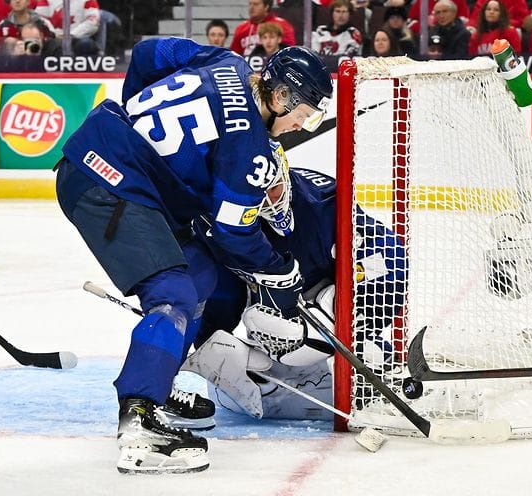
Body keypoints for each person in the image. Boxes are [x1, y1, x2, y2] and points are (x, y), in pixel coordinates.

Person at [54, 38, 332, 473]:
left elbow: (148, 53)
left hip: (111, 159)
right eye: (305, 111)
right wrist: (283, 272)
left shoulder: (226, 61)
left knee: (205, 276)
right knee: (174, 294)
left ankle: (158, 386)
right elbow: (234, 231)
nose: (303, 124)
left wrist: (140, 127)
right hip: (109, 180)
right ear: (281, 97)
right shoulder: (250, 149)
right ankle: (140, 419)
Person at [185, 165, 406, 420]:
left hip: (327, 298)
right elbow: (223, 291)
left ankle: (375, 364)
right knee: (258, 342)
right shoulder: (215, 223)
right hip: (277, 317)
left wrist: (343, 315)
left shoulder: (320, 206)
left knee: (334, 333)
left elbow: (390, 260)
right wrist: (213, 342)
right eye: (254, 195)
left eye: (274, 189)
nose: (267, 202)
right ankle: (296, 369)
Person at [230, 0, 297, 57]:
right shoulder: (241, 28)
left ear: (266, 7)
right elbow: (234, 55)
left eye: (256, 4)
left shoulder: (282, 25)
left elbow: (289, 50)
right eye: (250, 4)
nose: (251, 7)